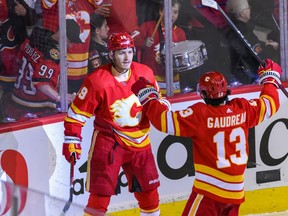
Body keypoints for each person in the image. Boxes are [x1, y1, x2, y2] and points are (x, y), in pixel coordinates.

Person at [131, 58, 281, 216]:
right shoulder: (242, 109)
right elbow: (270, 103)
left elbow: (163, 120)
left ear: (203, 94)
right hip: (236, 194)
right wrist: (270, 78)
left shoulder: (200, 115)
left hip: (210, 192)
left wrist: (148, 97)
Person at [62, 32, 168, 216]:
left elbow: (159, 101)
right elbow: (75, 115)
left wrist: (162, 107)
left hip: (140, 141)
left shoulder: (145, 73)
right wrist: (72, 140)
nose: (127, 57)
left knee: (150, 194)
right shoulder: (97, 81)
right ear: (111, 55)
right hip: (109, 142)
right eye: (121, 52)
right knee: (100, 197)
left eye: (129, 51)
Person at [0, 19, 81, 123]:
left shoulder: (36, 36)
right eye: (70, 41)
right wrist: (59, 97)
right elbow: (41, 83)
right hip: (34, 107)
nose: (70, 46)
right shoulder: (52, 54)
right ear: (60, 34)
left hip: (17, 97)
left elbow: (18, 59)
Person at [41, 0, 102, 93]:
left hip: (82, 68)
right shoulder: (56, 3)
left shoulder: (87, 2)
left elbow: (98, 3)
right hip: (57, 67)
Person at [225, 0, 280, 85]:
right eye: (248, 8)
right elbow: (259, 55)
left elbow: (250, 47)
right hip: (254, 78)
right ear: (243, 13)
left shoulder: (233, 29)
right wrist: (271, 47)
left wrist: (264, 44)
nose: (250, 9)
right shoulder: (244, 32)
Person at [137, 0, 187, 94]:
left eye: (175, 12)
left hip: (172, 78)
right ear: (161, 11)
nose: (172, 15)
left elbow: (182, 58)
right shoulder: (148, 26)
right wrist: (143, 42)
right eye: (169, 11)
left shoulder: (180, 33)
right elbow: (133, 40)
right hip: (151, 76)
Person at [0, 0, 36, 101]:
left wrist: (25, 12)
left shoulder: (14, 1)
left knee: (8, 94)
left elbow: (33, 19)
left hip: (11, 60)